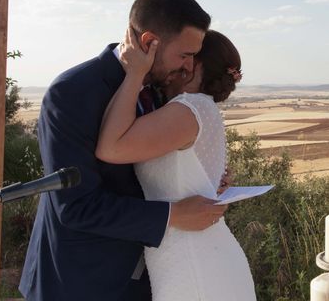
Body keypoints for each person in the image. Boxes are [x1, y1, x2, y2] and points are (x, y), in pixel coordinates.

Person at [19, 0, 227, 301]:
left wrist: (201, 181)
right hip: (81, 281)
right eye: (184, 55)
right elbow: (75, 206)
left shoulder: (162, 88)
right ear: (148, 42)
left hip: (151, 277)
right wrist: (173, 215)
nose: (188, 67)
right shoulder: (72, 93)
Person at [96, 29, 257, 301]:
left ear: (194, 68)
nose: (176, 65)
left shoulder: (188, 108)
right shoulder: (199, 108)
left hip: (194, 263)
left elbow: (110, 148)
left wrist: (134, 74)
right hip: (198, 255)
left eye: (187, 56)